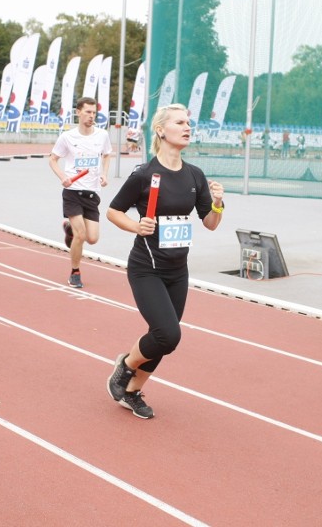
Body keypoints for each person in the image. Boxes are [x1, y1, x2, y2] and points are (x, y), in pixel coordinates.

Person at [106, 103, 225, 419]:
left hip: (177, 271)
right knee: (168, 333)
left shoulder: (194, 175)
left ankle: (130, 390)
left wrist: (218, 203)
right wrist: (136, 225)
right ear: (160, 130)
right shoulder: (145, 174)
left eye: (189, 123)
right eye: (179, 122)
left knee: (164, 340)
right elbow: (114, 211)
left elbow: (210, 223)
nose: (187, 127)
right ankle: (125, 366)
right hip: (147, 268)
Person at [48, 96, 112, 288]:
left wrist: (105, 174)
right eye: (88, 112)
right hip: (73, 192)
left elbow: (107, 154)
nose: (91, 116)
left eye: (94, 113)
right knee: (81, 235)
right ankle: (75, 272)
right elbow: (52, 159)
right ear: (78, 112)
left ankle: (68, 228)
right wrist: (63, 177)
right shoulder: (67, 137)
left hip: (92, 193)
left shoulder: (102, 135)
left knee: (92, 238)